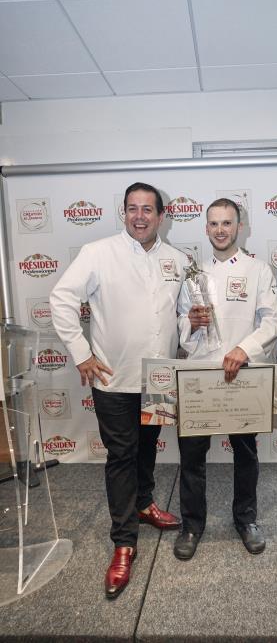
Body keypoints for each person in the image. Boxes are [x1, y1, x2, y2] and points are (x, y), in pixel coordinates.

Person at [50, 182, 188, 598]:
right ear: (123, 213)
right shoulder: (98, 252)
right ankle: (124, 542)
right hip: (113, 379)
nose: (140, 216)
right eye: (132, 209)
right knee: (122, 456)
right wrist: (80, 353)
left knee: (148, 447)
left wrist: (193, 327)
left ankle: (144, 504)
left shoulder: (178, 260)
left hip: (160, 379)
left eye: (148, 209)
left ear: (161, 216)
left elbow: (179, 318)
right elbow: (61, 299)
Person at [174, 197, 277, 560]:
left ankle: (246, 519)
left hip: (242, 374)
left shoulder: (258, 270)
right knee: (191, 456)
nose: (221, 230)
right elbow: (178, 327)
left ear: (240, 227)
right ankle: (192, 524)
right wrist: (190, 324)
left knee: (246, 453)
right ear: (206, 229)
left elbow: (273, 320)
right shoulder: (193, 274)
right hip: (199, 377)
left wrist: (245, 349)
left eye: (227, 223)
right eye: (214, 224)